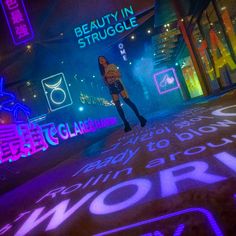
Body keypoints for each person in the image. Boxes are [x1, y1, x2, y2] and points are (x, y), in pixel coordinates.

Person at [98, 56, 147, 132]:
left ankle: (140, 118)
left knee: (127, 101)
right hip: (111, 87)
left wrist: (110, 76)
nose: (101, 60)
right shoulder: (102, 72)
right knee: (118, 106)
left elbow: (119, 75)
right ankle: (126, 124)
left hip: (117, 83)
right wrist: (105, 79)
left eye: (102, 58)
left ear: (105, 59)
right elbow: (105, 83)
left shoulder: (112, 65)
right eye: (99, 60)